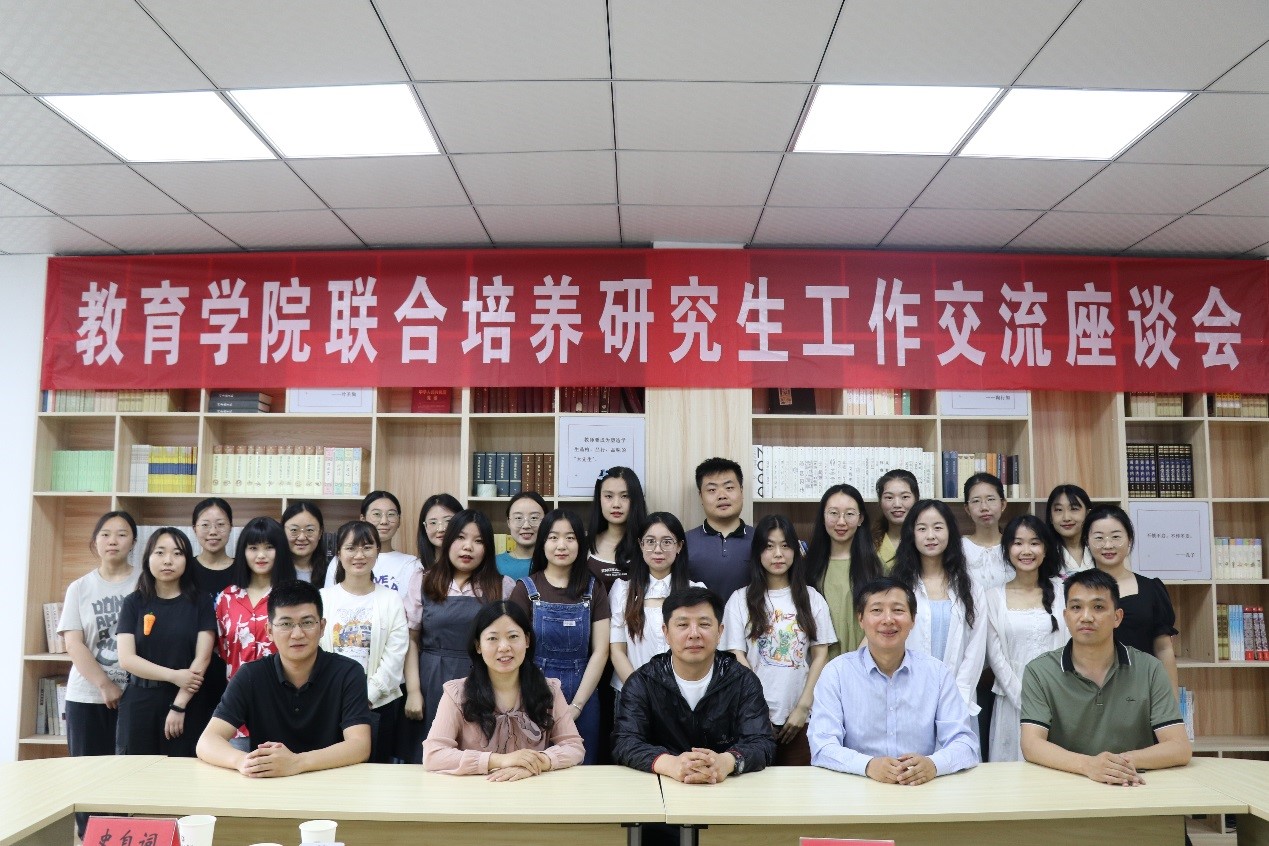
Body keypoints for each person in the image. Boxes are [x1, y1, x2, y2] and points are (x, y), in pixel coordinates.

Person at [1020, 569, 1191, 784]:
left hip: (1132, 785)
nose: (1086, 617)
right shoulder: (1039, 671)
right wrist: (1088, 765)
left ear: (1117, 617)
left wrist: (1113, 765)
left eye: (1098, 607)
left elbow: (1179, 747)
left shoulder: (1150, 669)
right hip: (1067, 785)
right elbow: (1031, 745)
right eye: (1076, 607)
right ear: (1065, 616)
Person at [808, 576, 980, 782]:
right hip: (857, 787)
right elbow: (822, 745)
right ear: (860, 619)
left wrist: (933, 765)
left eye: (898, 610)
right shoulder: (836, 673)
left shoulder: (936, 673)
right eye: (877, 610)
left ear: (913, 619)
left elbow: (965, 744)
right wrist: (868, 765)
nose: (888, 619)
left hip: (920, 788)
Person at [197, 580, 372, 776]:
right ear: (269, 631)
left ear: (322, 627)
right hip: (270, 782)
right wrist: (242, 761)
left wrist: (297, 763)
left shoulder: (348, 673)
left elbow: (359, 745)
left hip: (332, 779)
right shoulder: (251, 676)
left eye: (307, 622)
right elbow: (207, 741)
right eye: (286, 624)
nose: (297, 634)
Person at [613, 586, 776, 782]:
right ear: (666, 632)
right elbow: (625, 741)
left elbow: (762, 742)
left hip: (725, 786)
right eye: (682, 625)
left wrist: (727, 761)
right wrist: (671, 764)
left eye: (704, 624)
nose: (694, 634)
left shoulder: (742, 681)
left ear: (720, 632)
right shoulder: (643, 682)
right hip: (661, 785)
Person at [423, 601, 585, 778]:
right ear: (478, 646)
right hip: (476, 789)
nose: (504, 647)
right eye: (492, 638)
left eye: (513, 636)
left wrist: (535, 763)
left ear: (527, 640)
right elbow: (433, 755)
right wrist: (500, 760)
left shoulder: (549, 690)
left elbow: (574, 746)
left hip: (532, 788)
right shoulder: (457, 694)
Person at [402, 509, 515, 762]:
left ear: (487, 548)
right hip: (432, 679)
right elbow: (411, 639)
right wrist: (414, 691)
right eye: (461, 538)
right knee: (431, 758)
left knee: (480, 757)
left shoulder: (502, 585)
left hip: (483, 681)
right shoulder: (423, 580)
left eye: (478, 541)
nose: (468, 547)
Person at [722, 515, 835, 766]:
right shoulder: (739, 600)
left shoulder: (812, 598)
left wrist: (803, 707)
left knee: (800, 786)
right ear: (757, 552)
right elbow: (737, 657)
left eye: (785, 546)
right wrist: (758, 711)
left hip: (802, 718)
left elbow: (820, 655)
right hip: (751, 719)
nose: (778, 554)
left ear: (795, 550)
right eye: (769, 546)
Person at [58, 510, 140, 838]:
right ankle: (90, 840)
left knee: (127, 779)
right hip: (87, 697)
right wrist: (105, 684)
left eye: (122, 534)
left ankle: (123, 839)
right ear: (95, 541)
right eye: (105, 534)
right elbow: (73, 644)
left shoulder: (145, 583)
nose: (113, 541)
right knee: (88, 779)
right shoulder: (80, 588)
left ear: (133, 541)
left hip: (135, 699)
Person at [510, 508, 610, 765]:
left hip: (584, 694)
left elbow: (601, 651)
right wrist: (532, 699)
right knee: (533, 767)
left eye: (570, 537)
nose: (561, 545)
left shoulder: (594, 588)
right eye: (553, 537)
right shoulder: (525, 589)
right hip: (533, 693)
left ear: (580, 543)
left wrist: (576, 706)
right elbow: (515, 651)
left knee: (582, 770)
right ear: (542, 543)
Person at [117, 527, 216, 757]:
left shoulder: (201, 601)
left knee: (183, 771)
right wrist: (173, 675)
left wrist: (179, 705)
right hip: (138, 702)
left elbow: (202, 658)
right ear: (148, 558)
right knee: (135, 771)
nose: (168, 560)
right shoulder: (134, 602)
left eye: (177, 553)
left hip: (187, 701)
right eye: (160, 552)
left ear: (187, 560)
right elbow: (127, 659)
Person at [320, 520, 409, 763]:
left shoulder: (391, 599)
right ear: (338, 553)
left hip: (378, 703)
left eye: (367, 547)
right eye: (351, 548)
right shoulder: (323, 598)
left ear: (378, 551)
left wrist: (368, 696)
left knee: (374, 775)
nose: (359, 555)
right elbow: (314, 650)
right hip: (329, 702)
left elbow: (395, 654)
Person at [984, 515, 1068, 762]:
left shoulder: (1064, 591)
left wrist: (1056, 697)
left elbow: (1072, 646)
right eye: (1018, 543)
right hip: (1011, 700)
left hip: (1060, 698)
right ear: (1007, 549)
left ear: (1046, 548)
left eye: (1034, 543)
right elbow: (995, 657)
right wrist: (1024, 700)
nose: (1026, 551)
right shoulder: (992, 597)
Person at [890, 499, 986, 713]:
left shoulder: (971, 588)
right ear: (911, 534)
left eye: (938, 527)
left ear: (950, 532)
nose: (930, 536)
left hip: (958, 701)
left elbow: (976, 648)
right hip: (906, 697)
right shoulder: (899, 587)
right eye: (922, 529)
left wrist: (957, 698)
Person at [1082, 504, 1179, 696]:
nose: (1108, 545)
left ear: (1130, 540)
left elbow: (1163, 649)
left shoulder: (1151, 589)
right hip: (1089, 692)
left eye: (1116, 537)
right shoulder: (1077, 590)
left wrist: (1171, 702)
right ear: (1087, 541)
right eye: (1099, 538)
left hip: (1141, 691)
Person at [610, 513, 704, 698]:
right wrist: (641, 693)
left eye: (667, 542)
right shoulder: (623, 591)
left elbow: (703, 650)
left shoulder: (696, 592)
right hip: (632, 694)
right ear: (640, 545)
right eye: (650, 541)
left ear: (679, 546)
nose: (658, 549)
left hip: (683, 696)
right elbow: (617, 651)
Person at [804, 484, 885, 659]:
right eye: (833, 513)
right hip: (818, 663)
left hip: (864, 660)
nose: (841, 522)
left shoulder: (876, 566)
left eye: (849, 514)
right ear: (823, 517)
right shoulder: (807, 567)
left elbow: (882, 619)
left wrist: (855, 664)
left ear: (860, 518)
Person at [215, 516, 297, 683]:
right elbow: (224, 650)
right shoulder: (227, 598)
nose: (261, 555)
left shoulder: (293, 596)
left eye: (269, 547)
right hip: (237, 691)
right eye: (253, 548)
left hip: (282, 690)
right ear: (243, 552)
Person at [324, 490, 422, 594]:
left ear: (399, 521)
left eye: (391, 514)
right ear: (363, 519)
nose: (384, 521)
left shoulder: (411, 564)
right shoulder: (344, 560)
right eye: (376, 514)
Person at [685, 457, 754, 600]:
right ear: (701, 496)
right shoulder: (683, 542)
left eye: (729, 488)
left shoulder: (762, 539)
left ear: (741, 491)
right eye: (712, 490)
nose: (722, 496)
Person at [190, 497, 235, 712]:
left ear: (231, 527)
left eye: (220, 524)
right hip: (191, 666)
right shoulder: (184, 570)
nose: (213, 532)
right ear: (194, 528)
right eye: (205, 525)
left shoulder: (243, 571)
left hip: (231, 666)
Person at [586, 466, 647, 589]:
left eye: (625, 496)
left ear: (636, 499)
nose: (616, 504)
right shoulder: (585, 544)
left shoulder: (648, 544)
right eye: (609, 496)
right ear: (599, 498)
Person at [962, 473, 1013, 591]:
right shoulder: (959, 548)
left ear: (1003, 504)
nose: (984, 507)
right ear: (967, 509)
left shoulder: (1015, 545)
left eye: (990, 499)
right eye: (976, 501)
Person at [873, 469, 919, 570]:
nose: (897, 504)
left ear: (916, 499)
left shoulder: (927, 540)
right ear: (880, 502)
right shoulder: (869, 544)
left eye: (905, 497)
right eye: (889, 497)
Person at [1046, 483, 1095, 576]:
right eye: (1059, 510)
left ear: (1088, 514)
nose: (1066, 518)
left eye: (1074, 509)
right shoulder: (1043, 553)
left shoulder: (1100, 548)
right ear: (1050, 517)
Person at [497, 491, 547, 580]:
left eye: (534, 518)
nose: (526, 526)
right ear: (508, 522)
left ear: (546, 521)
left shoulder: (554, 563)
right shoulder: (493, 564)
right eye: (518, 518)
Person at [282, 501, 328, 586]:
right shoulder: (273, 570)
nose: (302, 537)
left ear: (320, 533)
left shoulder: (331, 572)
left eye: (309, 530)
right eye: (294, 530)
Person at [416, 492, 463, 569]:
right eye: (433, 522)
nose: (441, 529)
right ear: (425, 527)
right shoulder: (417, 569)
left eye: (448, 521)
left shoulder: (469, 566)